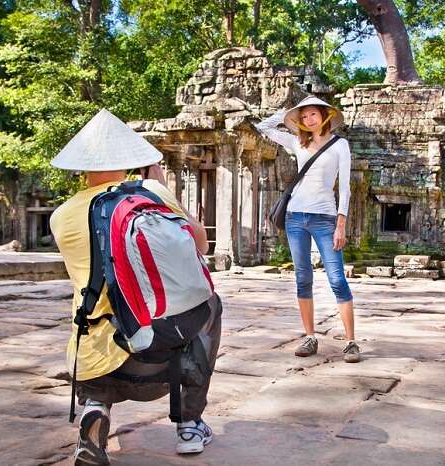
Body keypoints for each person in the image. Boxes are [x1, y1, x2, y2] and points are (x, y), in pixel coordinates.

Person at [49, 109, 222, 465]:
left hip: (97, 363)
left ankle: (96, 408)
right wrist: (163, 188)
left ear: (80, 165)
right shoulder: (150, 191)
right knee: (211, 304)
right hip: (159, 355)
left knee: (93, 317)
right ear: (130, 158)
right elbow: (201, 245)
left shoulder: (61, 216)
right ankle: (189, 423)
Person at [255, 96, 360, 363]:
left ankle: (350, 341)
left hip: (325, 218)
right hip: (295, 216)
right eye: (302, 117)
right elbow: (263, 128)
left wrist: (341, 224)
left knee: (337, 279)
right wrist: (283, 114)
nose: (307, 120)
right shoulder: (297, 143)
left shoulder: (340, 145)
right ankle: (310, 336)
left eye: (312, 114)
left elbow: (345, 188)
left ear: (324, 116)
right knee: (303, 278)